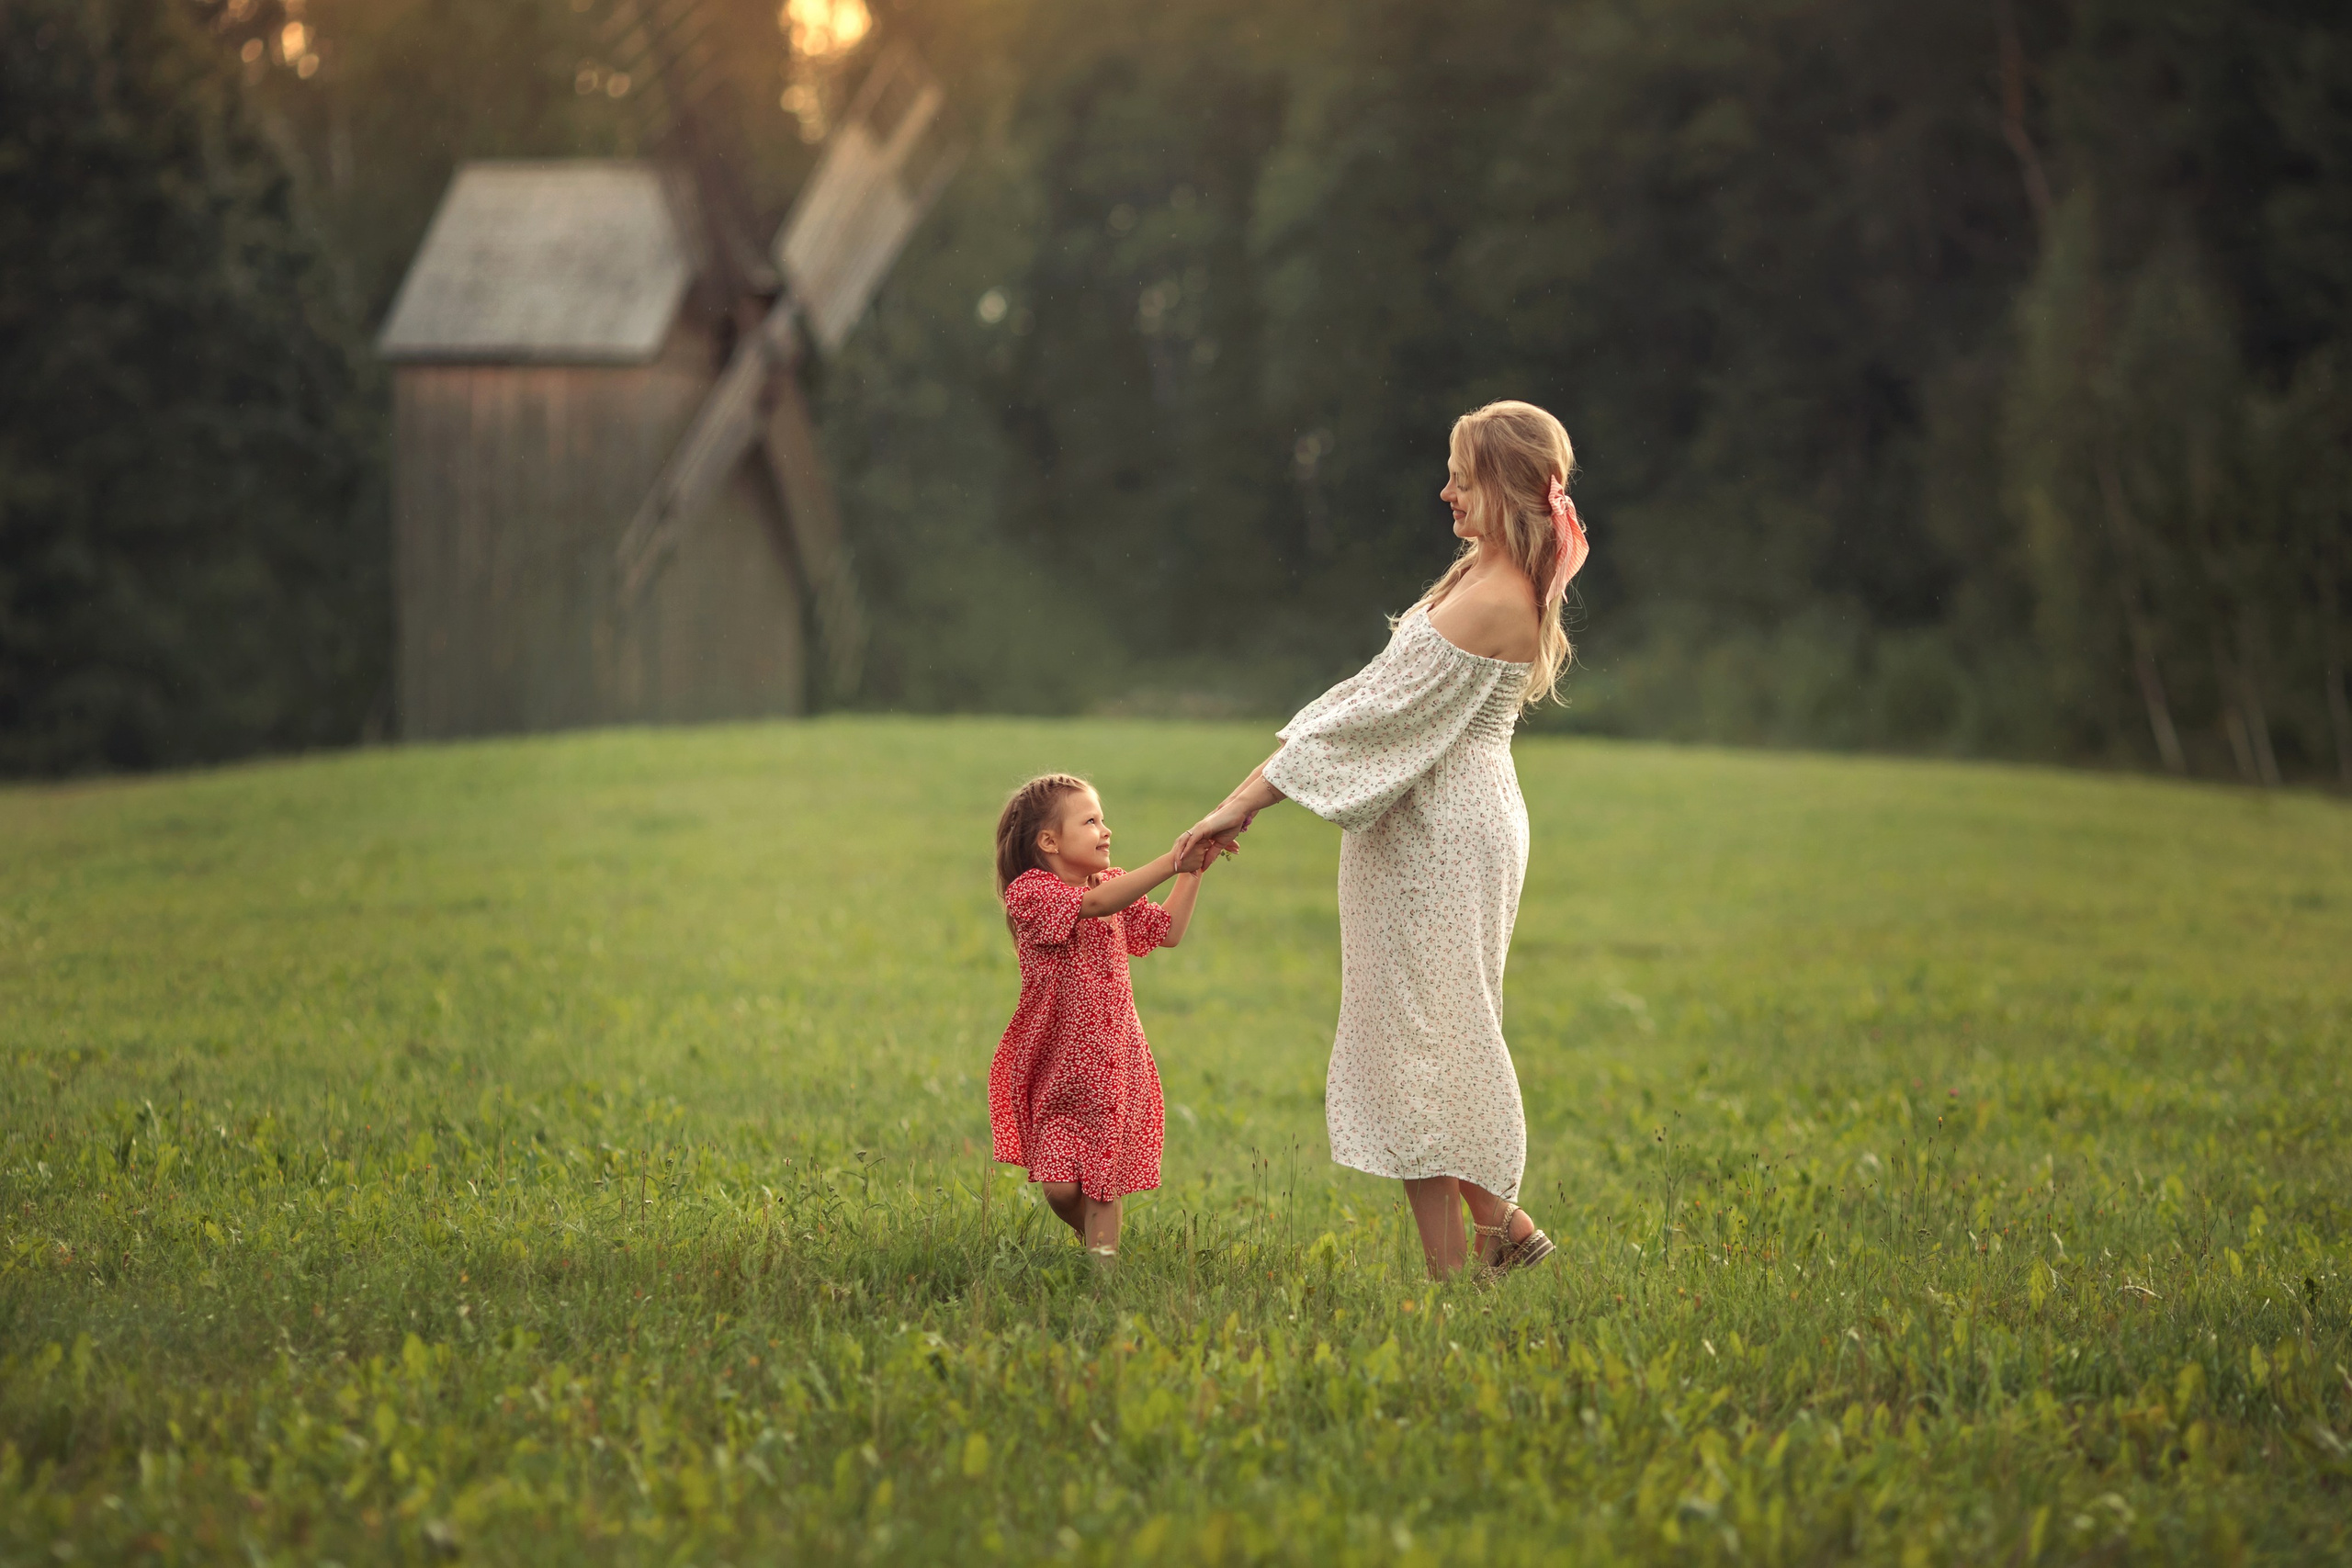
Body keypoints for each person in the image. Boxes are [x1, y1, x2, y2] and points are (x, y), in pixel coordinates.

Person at [1179, 400, 1590, 1279]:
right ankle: (1503, 1238)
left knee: (1423, 1040)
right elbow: (1369, 690)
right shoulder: (1480, 572)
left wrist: (1242, 801)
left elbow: (1368, 718)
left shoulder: (1492, 597)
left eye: (1462, 476)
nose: (1445, 491)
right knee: (1419, 1033)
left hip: (1443, 832)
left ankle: (1468, 1264)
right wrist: (1253, 788)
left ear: (1508, 484)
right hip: (1431, 822)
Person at [989, 773, 1223, 1265]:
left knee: (1099, 1185)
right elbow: (1094, 907)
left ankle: (1105, 1271)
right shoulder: (1033, 893)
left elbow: (1169, 931)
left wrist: (1193, 871)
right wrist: (1173, 858)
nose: (1106, 830)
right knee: (1056, 1187)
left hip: (1112, 1064)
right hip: (1052, 1068)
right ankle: (1105, 1247)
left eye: (1103, 818)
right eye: (1091, 821)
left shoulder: (1112, 886)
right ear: (1049, 842)